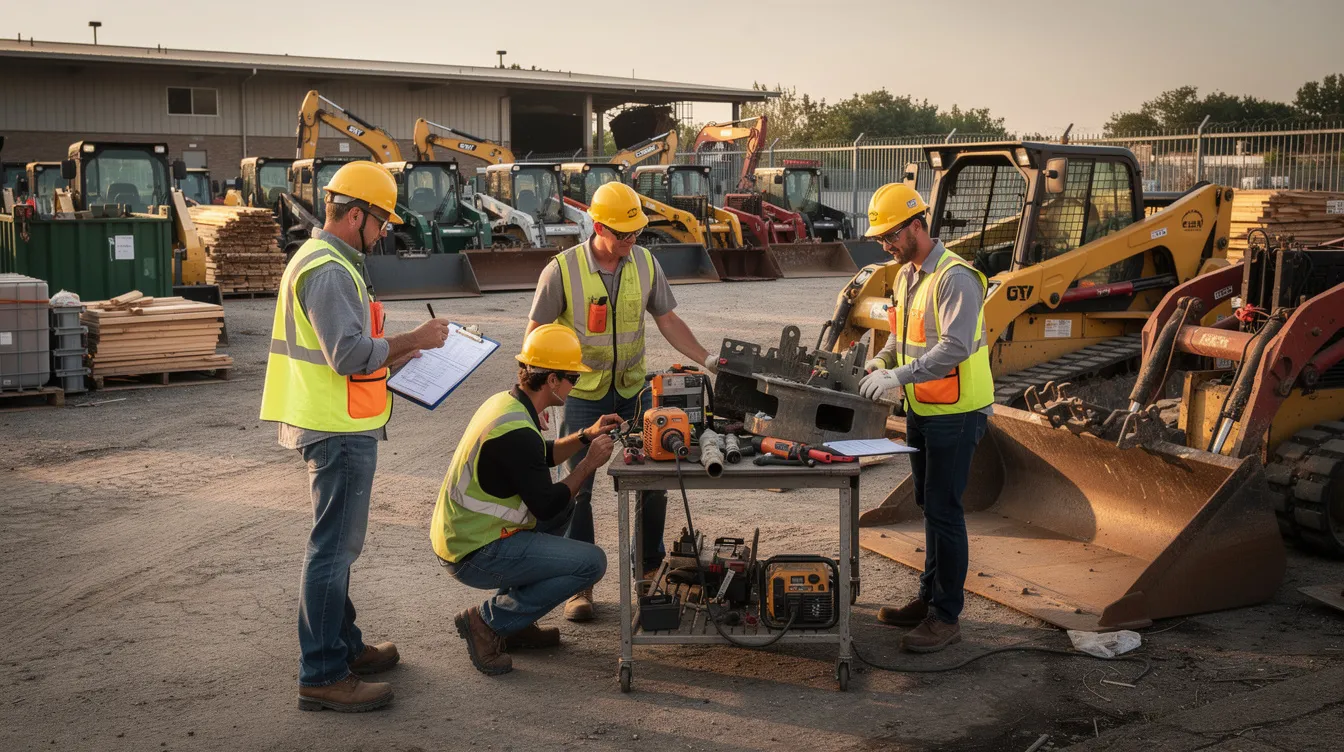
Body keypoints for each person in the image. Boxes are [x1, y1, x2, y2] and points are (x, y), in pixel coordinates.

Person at [261, 160, 451, 712]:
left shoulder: (331, 261)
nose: (386, 231)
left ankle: (343, 647)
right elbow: (346, 355)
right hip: (336, 429)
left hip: (338, 422)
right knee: (332, 551)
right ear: (358, 215)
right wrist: (411, 338)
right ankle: (321, 674)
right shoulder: (327, 269)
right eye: (383, 221)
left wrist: (399, 352)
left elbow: (348, 353)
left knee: (336, 548)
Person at [526, 181, 718, 622]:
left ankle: (649, 571)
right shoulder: (562, 270)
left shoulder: (645, 263)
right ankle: (580, 584)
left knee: (654, 479)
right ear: (598, 227)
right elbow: (535, 334)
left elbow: (667, 319)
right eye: (624, 235)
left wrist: (707, 359)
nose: (632, 242)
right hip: (581, 397)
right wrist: (536, 401)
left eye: (637, 234)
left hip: (634, 393)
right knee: (577, 488)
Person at [433, 324, 622, 675]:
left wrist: (585, 435)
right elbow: (547, 503)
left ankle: (516, 625)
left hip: (468, 535)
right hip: (473, 551)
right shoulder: (517, 430)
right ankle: (488, 623)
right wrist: (589, 464)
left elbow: (541, 455)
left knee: (562, 512)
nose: (574, 386)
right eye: (572, 379)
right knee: (591, 563)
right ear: (552, 380)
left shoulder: (507, 404)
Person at [857, 183, 994, 653]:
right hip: (924, 407)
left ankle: (946, 617)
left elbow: (954, 348)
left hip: (957, 411)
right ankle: (929, 600)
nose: (885, 245)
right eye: (880, 239)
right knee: (929, 506)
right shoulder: (905, 275)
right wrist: (882, 362)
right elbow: (901, 337)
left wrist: (898, 376)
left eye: (890, 235)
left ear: (917, 225)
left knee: (945, 511)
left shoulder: (955, 277)